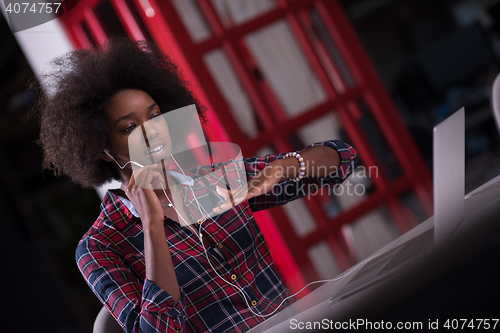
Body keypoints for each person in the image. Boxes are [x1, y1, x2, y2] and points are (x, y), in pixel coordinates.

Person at [31, 37, 359, 332]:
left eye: (156, 115)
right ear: (101, 149)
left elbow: (342, 159)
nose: (153, 132)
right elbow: (160, 330)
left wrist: (277, 171)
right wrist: (152, 228)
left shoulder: (214, 179)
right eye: (130, 128)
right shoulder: (100, 247)